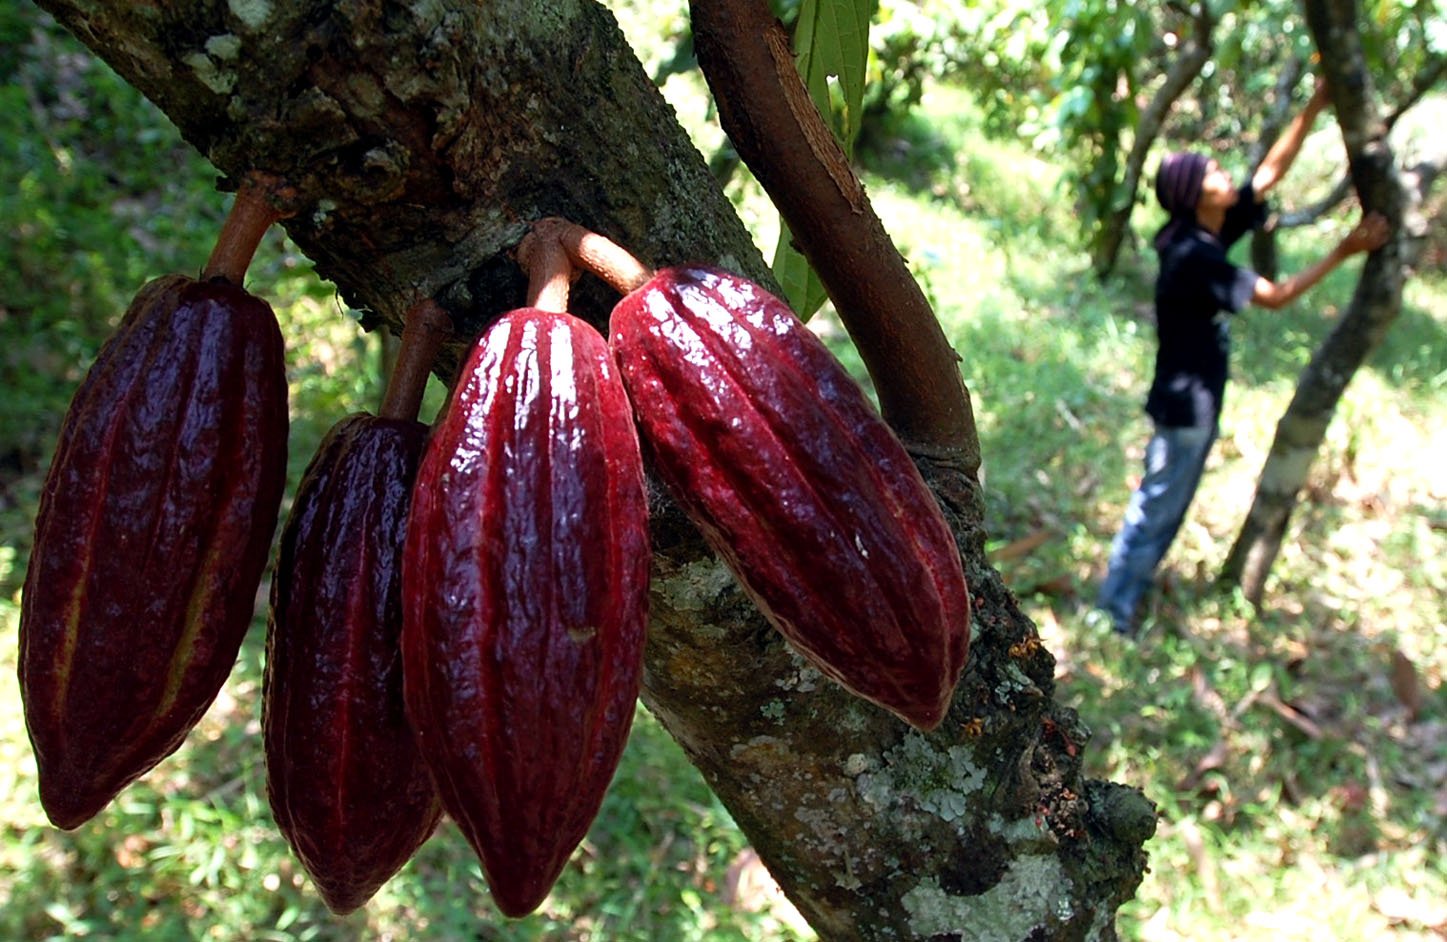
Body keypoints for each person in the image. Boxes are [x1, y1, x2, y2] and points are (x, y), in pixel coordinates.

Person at [1095, 78, 1391, 636]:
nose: (1224, 174)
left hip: (1195, 402)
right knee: (1158, 506)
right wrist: (1344, 250)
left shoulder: (1205, 227)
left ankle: (1128, 595)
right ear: (1192, 195)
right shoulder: (1192, 255)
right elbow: (1275, 297)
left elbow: (1268, 175)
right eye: (1210, 173)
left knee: (1169, 504)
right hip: (1185, 410)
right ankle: (1112, 611)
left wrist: (1315, 105)